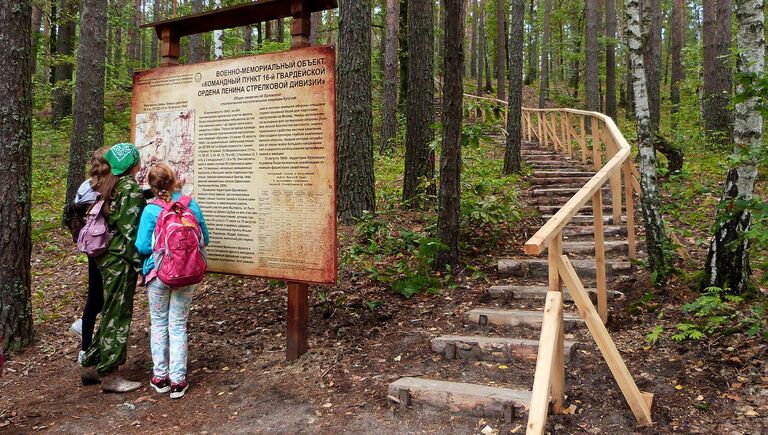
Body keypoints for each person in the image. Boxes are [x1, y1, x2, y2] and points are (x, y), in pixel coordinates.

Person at [135, 163, 208, 399]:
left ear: (152, 186)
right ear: (174, 180)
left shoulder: (150, 210)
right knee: (178, 325)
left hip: (157, 275)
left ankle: (160, 377)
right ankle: (178, 380)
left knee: (158, 323)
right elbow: (204, 238)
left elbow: (143, 246)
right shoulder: (190, 204)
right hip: (186, 274)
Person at [80, 143, 146, 393]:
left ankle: (91, 364)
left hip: (107, 256)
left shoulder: (112, 182)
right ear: (134, 164)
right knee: (118, 315)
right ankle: (110, 374)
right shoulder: (130, 189)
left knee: (109, 312)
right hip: (120, 259)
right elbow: (132, 235)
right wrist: (141, 267)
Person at [65, 147, 110, 367]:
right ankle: (86, 348)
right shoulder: (107, 187)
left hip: (91, 246)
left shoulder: (85, 185)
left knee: (96, 294)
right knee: (98, 298)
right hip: (106, 247)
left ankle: (85, 337)